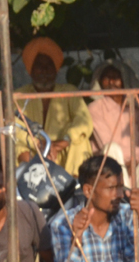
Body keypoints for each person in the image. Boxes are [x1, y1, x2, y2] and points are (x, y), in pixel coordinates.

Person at [14, 36, 92, 177]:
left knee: (80, 142)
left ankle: (75, 184)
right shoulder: (19, 96)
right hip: (33, 152)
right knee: (14, 144)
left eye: (49, 65)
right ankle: (34, 179)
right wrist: (39, 144)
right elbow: (15, 127)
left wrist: (63, 142)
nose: (44, 70)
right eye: (39, 66)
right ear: (31, 69)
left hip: (62, 152)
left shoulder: (69, 91)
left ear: (55, 69)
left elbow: (83, 121)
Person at [87, 60, 139, 187]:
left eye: (116, 78)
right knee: (112, 148)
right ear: (100, 81)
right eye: (106, 78)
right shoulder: (95, 108)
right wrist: (128, 160)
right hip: (109, 165)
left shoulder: (135, 107)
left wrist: (135, 159)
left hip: (136, 164)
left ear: (124, 80)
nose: (111, 82)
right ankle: (125, 193)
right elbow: (106, 142)